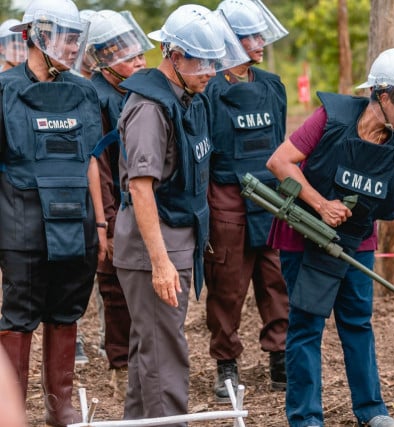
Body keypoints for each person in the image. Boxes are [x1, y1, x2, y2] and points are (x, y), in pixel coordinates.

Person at [266, 47, 394, 427]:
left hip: (359, 244)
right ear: (384, 95)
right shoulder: (332, 118)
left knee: (358, 322)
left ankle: (372, 410)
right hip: (305, 238)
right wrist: (320, 203)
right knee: (307, 326)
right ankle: (306, 417)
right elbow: (280, 162)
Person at [113, 5, 247, 424]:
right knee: (165, 352)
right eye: (200, 60)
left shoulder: (189, 99)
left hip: (177, 237)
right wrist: (160, 263)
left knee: (151, 349)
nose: (210, 70)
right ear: (172, 54)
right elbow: (140, 188)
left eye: (214, 60)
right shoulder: (151, 109)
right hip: (153, 244)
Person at [0, 0, 107, 425]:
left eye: (76, 37)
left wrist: (99, 224)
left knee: (67, 312)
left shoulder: (83, 91)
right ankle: (12, 414)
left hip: (76, 223)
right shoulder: (4, 91)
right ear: (37, 35)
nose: (72, 45)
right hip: (20, 223)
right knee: (19, 317)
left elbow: (91, 161)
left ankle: (59, 411)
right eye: (65, 35)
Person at [203, 0, 289, 401]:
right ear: (229, 41)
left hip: (272, 200)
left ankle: (281, 357)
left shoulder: (272, 85)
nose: (259, 42)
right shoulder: (209, 89)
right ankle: (226, 363)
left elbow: (279, 147)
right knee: (227, 284)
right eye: (249, 36)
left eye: (260, 34)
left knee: (277, 280)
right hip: (227, 199)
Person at [85, 8, 153, 399]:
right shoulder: (96, 96)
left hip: (140, 201)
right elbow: (101, 166)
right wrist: (107, 223)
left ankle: (141, 358)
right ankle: (119, 364)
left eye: (140, 55)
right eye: (131, 57)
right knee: (114, 286)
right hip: (114, 206)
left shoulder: (136, 90)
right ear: (105, 60)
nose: (141, 62)